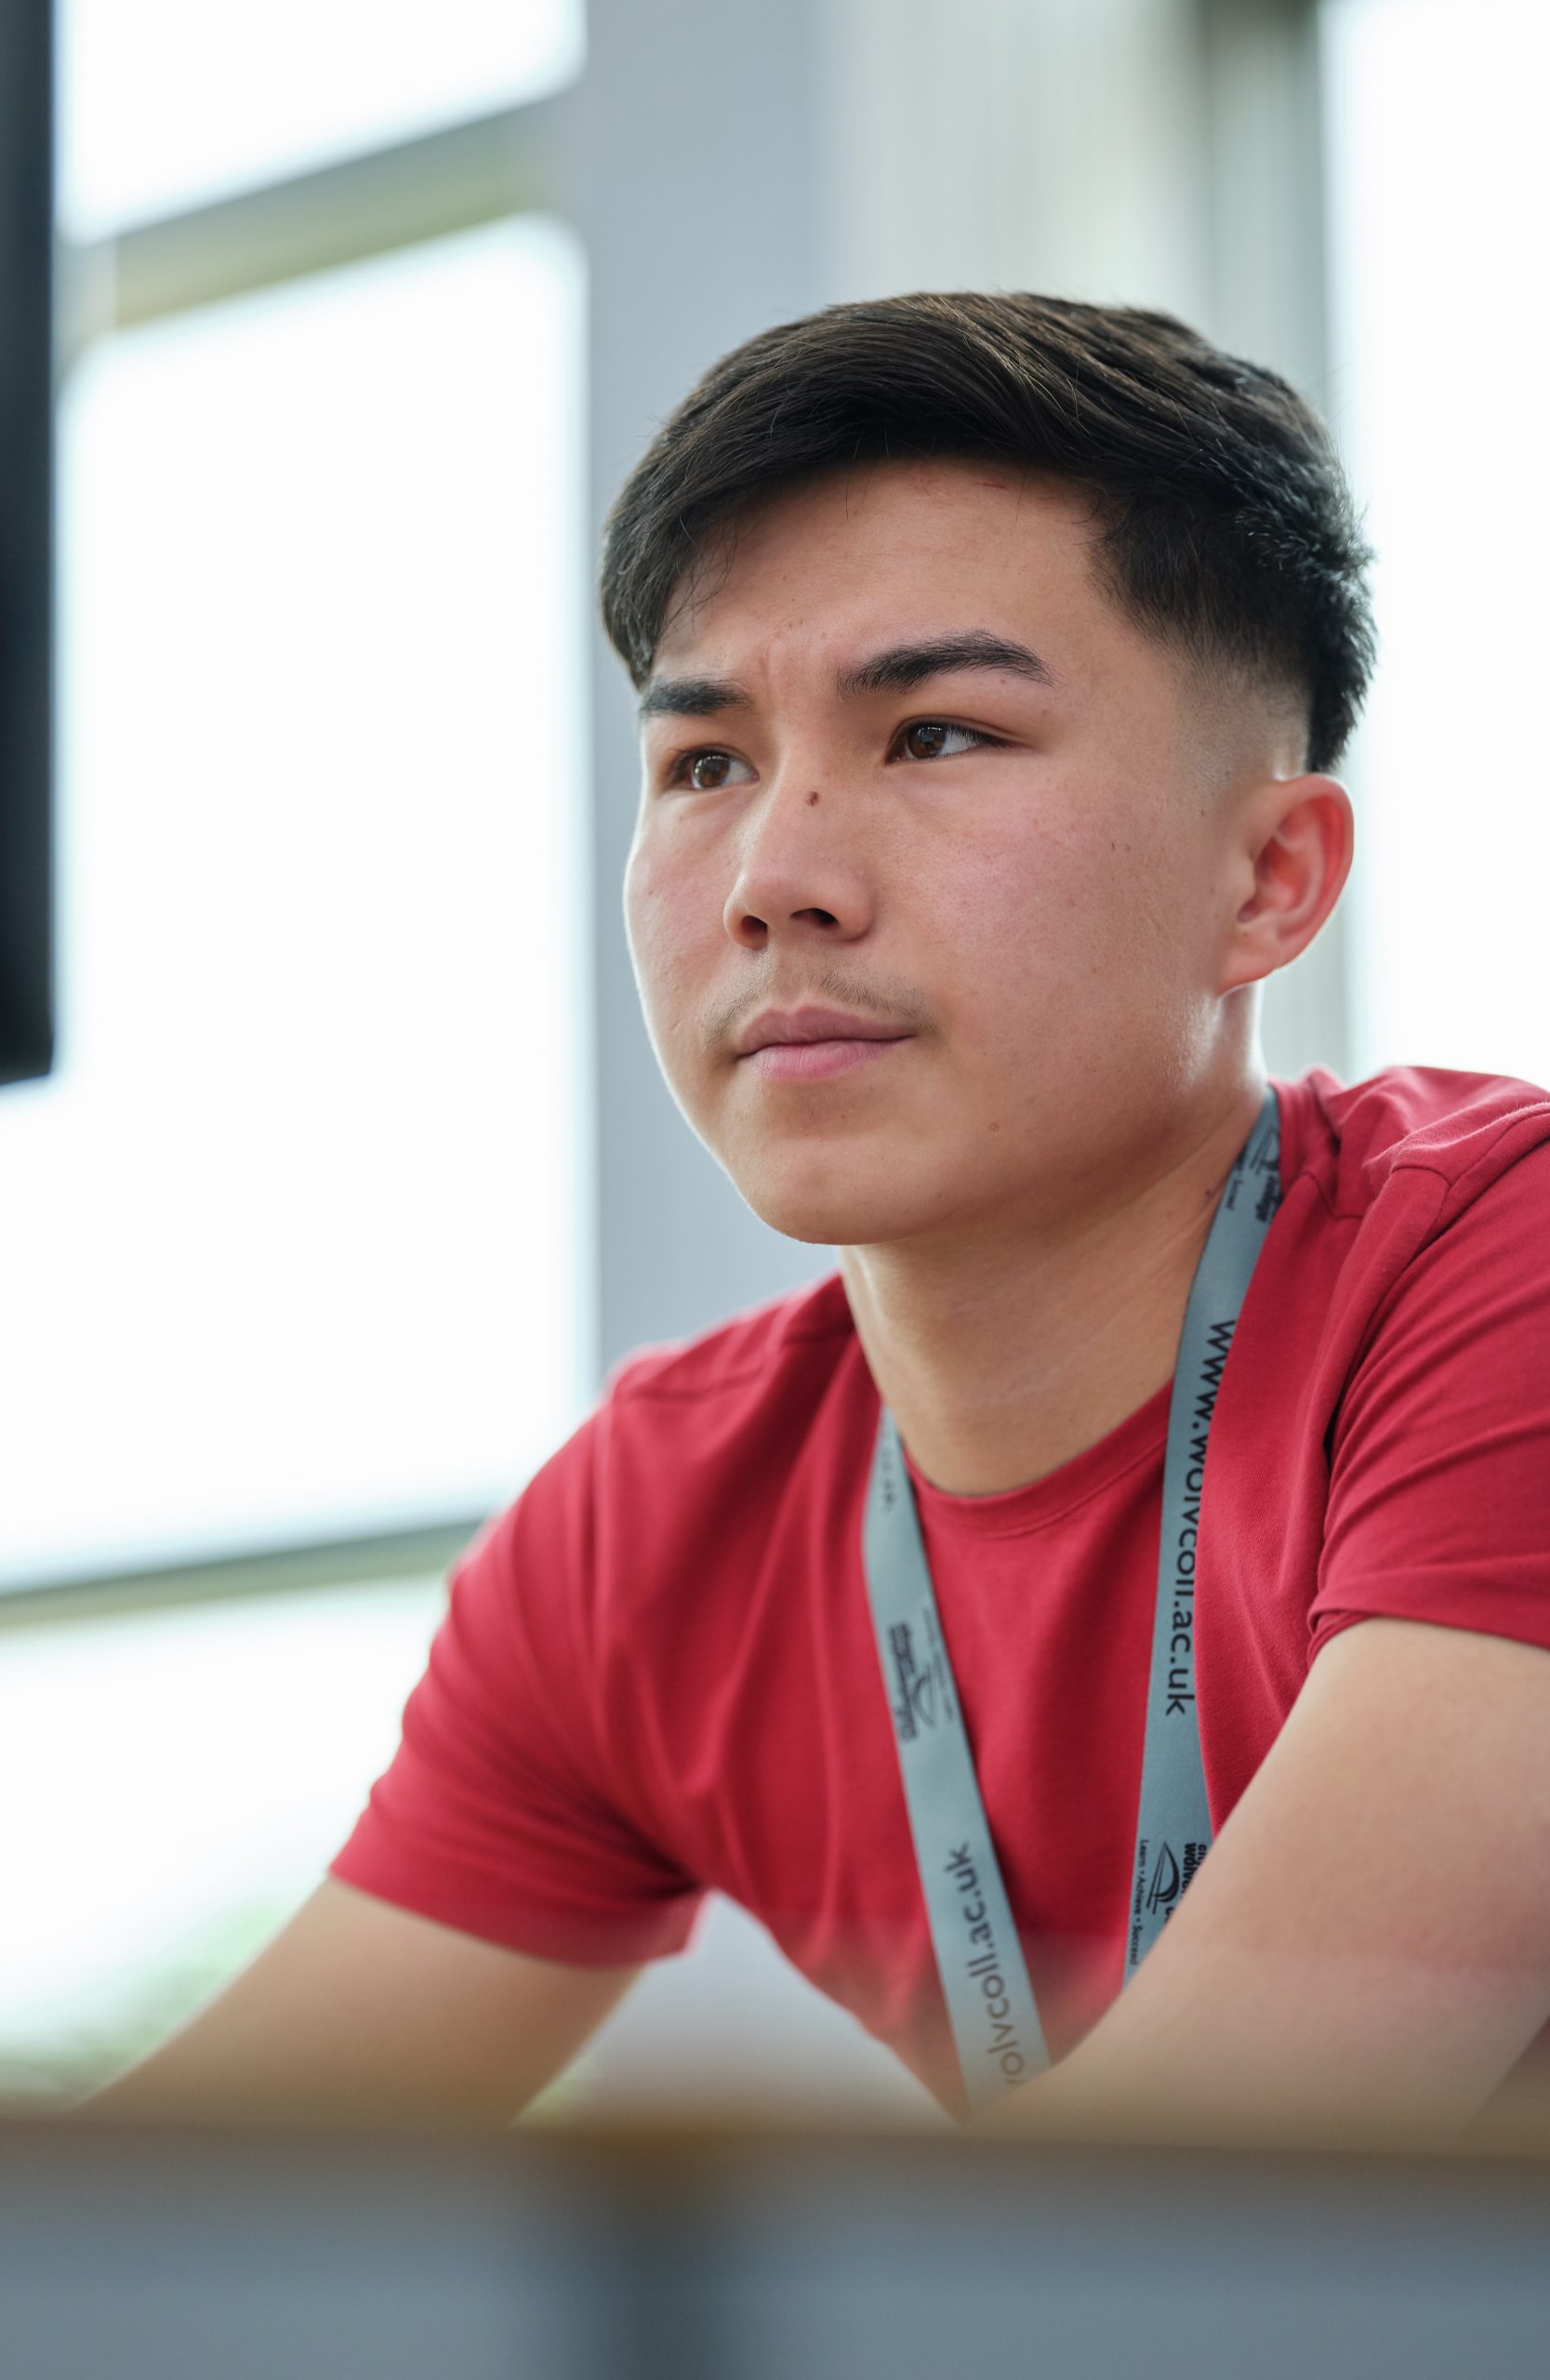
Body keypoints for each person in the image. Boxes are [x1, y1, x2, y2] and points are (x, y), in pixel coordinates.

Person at [99, 292, 1550, 2137]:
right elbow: (160, 2224)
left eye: (933, 735)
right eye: (701, 765)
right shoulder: (650, 1535)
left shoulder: (1486, 1272)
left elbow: (1203, 2224)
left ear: (1266, 878)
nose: (775, 877)